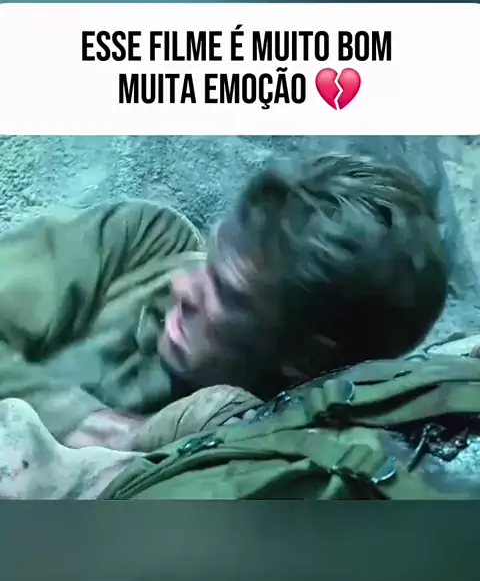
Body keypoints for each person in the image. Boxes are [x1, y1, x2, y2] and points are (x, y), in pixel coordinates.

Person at [0, 154, 448, 454]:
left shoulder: (279, 450)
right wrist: (84, 423)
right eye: (210, 261)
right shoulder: (138, 245)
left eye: (226, 292)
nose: (182, 287)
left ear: (302, 358)